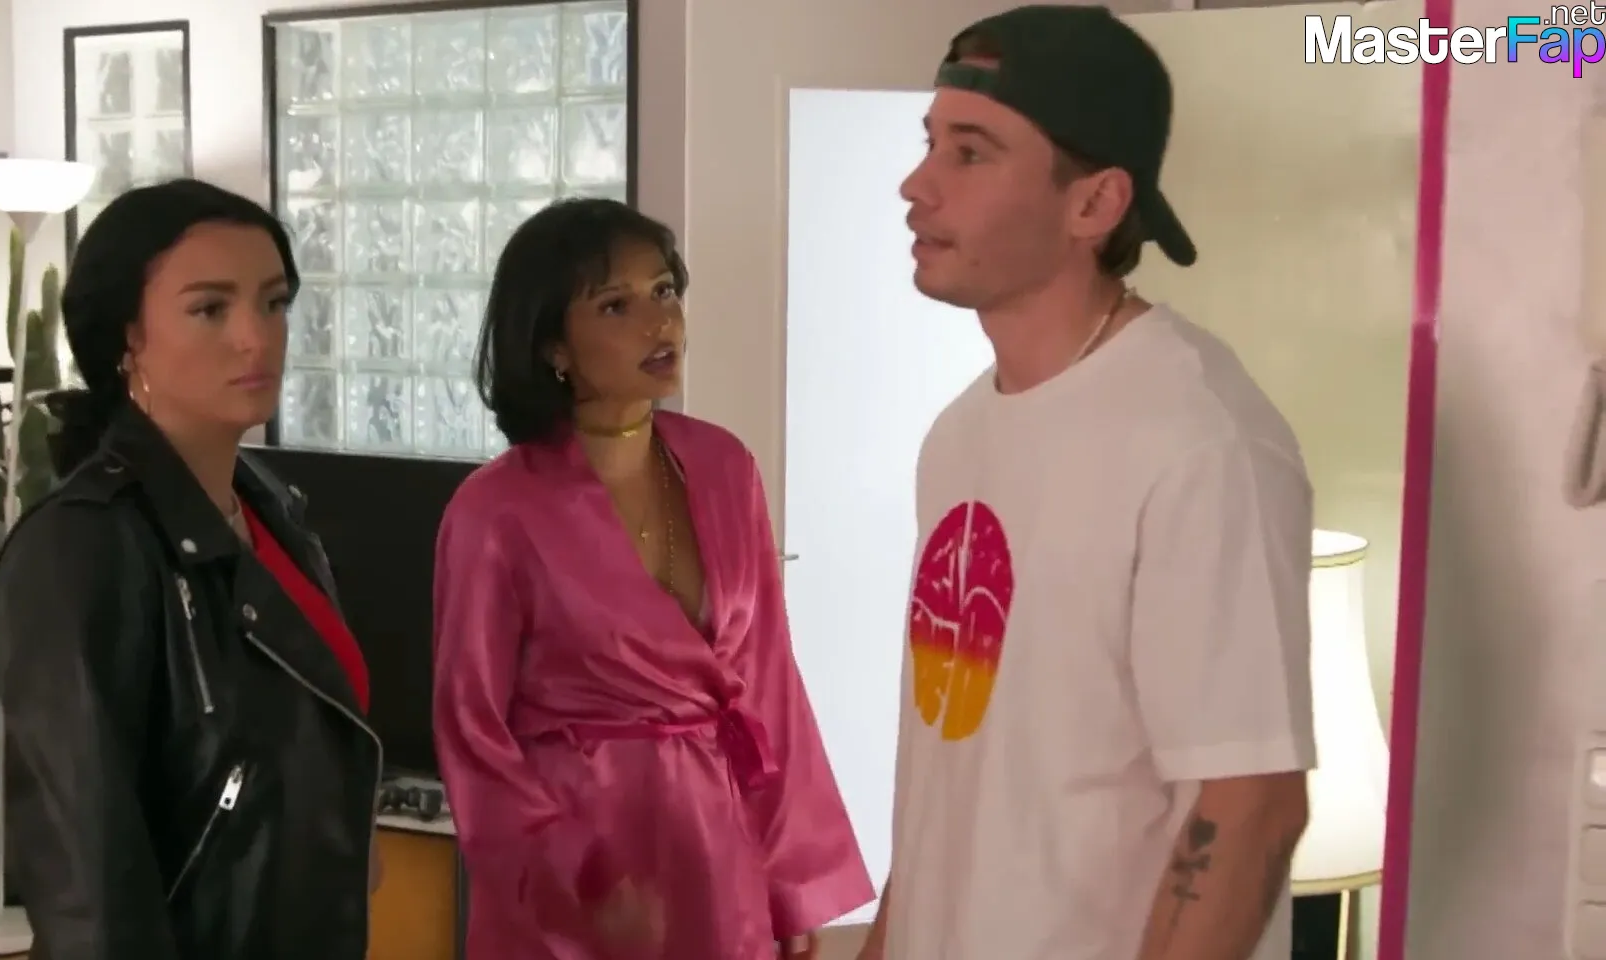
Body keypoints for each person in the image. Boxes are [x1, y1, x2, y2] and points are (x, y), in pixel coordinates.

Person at [860, 7, 1315, 960]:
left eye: (970, 153)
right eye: (930, 143)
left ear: (1095, 204)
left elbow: (1250, 806)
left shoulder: (1199, 441)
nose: (917, 184)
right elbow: (953, 776)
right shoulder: (960, 434)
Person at [431, 197, 875, 959]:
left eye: (665, 290)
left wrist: (788, 881)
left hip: (716, 842)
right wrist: (575, 878)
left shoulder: (724, 465)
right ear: (553, 345)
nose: (660, 322)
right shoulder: (495, 509)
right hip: (579, 862)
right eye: (617, 305)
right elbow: (472, 728)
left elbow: (769, 681)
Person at [0, 179, 383, 960]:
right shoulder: (82, 546)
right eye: (210, 309)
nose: (256, 337)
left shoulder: (273, 511)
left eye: (274, 303)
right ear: (127, 337)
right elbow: (87, 885)